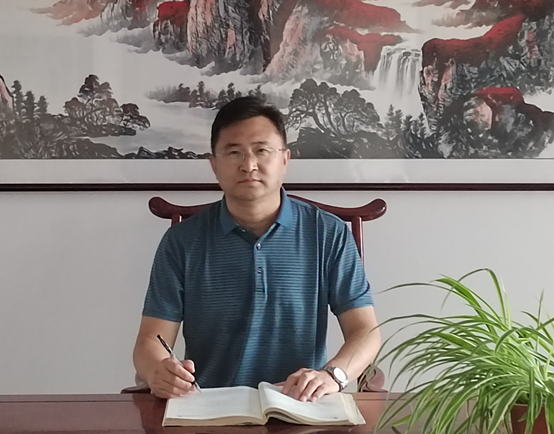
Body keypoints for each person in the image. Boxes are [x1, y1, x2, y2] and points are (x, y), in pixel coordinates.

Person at [133, 96, 381, 402]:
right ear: (214, 165)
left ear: (285, 160)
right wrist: (158, 371)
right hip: (209, 406)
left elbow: (366, 331)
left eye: (262, 151)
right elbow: (150, 340)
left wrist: (333, 375)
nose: (248, 165)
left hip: (301, 405)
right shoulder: (182, 242)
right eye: (234, 152)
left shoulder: (328, 234)